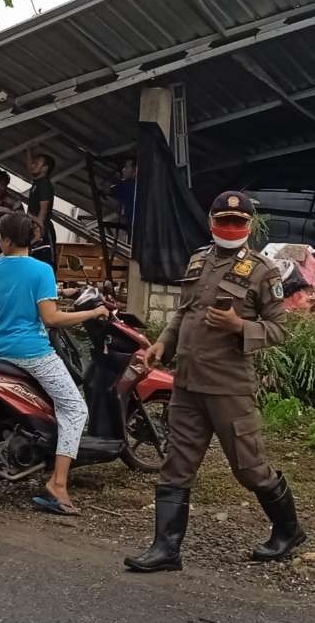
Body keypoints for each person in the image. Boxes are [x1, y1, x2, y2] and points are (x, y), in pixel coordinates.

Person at [124, 191, 300, 573]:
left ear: (249, 226)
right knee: (176, 464)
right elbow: (183, 315)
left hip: (229, 387)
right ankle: (166, 549)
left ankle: (288, 531)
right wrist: (162, 345)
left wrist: (239, 326)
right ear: (211, 222)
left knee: (249, 468)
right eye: (224, 221)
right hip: (187, 382)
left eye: (238, 223)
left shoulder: (262, 271)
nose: (230, 228)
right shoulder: (199, 260)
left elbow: (278, 330)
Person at [0, 211, 107, 516]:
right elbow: (50, 318)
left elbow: (22, 301)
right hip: (32, 352)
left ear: (8, 239)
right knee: (76, 408)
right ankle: (59, 484)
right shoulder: (42, 270)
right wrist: (93, 314)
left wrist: (63, 295)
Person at [25, 148, 58, 272]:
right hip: (35, 228)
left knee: (46, 264)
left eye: (37, 163)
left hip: (42, 229)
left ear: (44, 168)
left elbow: (43, 212)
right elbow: (29, 167)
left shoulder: (44, 185)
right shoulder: (37, 182)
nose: (32, 165)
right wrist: (28, 149)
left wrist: (39, 230)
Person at [108, 157, 137, 240]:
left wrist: (117, 180)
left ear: (135, 170)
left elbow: (112, 190)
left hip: (135, 223)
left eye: (127, 167)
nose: (123, 170)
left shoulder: (129, 185)